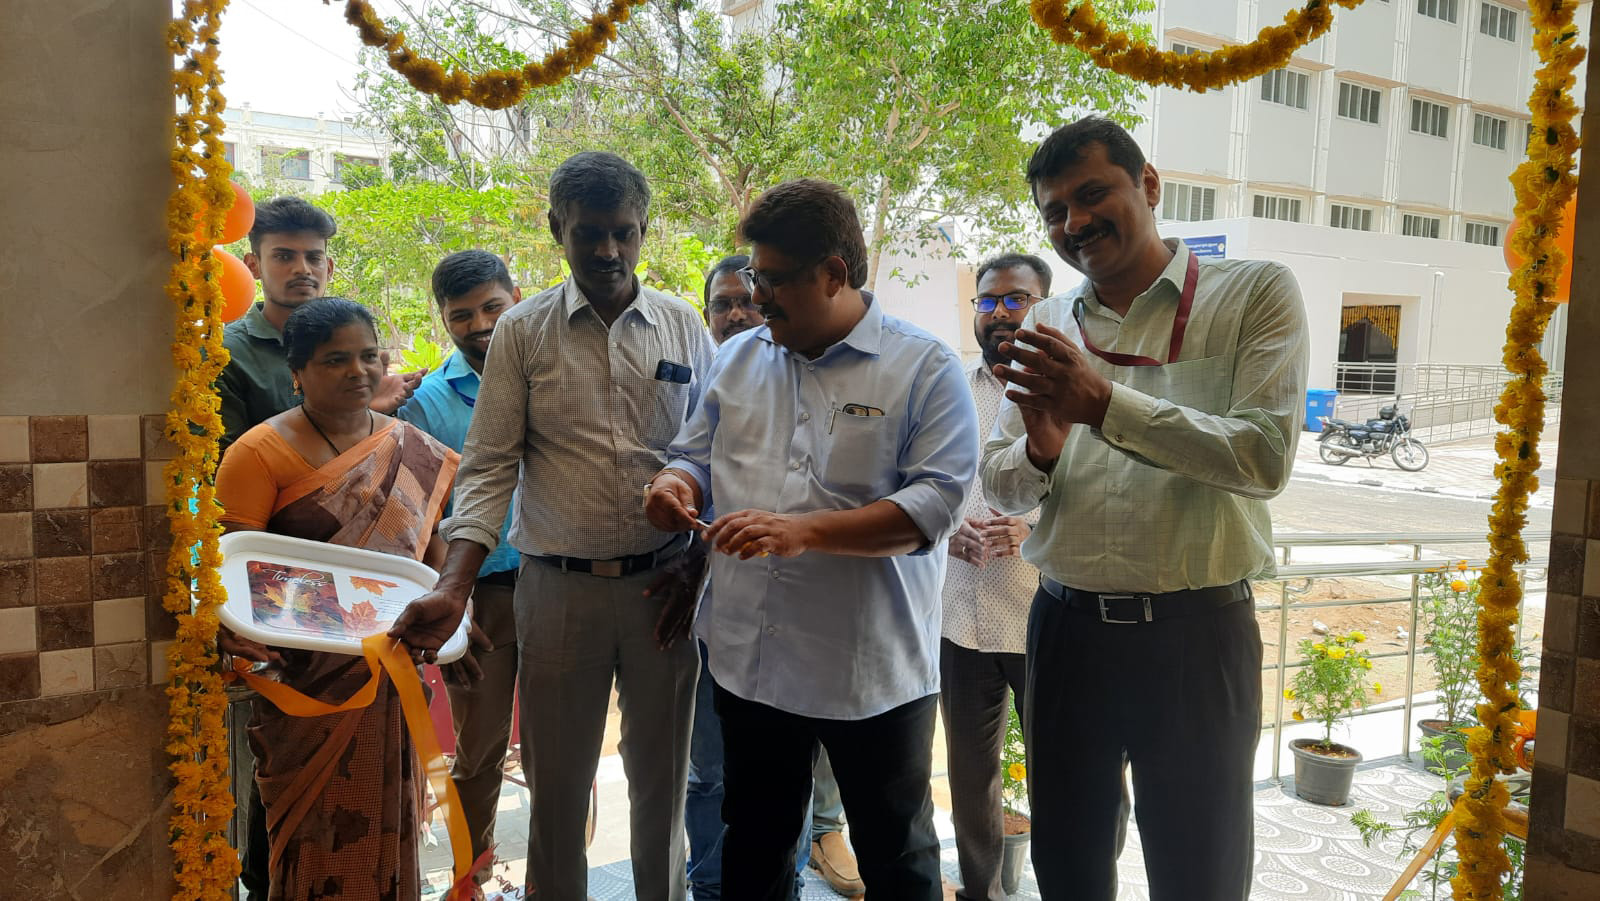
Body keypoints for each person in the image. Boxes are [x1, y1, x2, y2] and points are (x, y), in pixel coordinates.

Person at [980, 116, 1309, 900]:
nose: (1074, 223)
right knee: (1068, 863)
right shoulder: (1049, 321)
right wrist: (1042, 450)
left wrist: (1104, 404)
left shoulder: (1254, 294)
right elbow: (1000, 482)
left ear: (1150, 186)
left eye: (1092, 195)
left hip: (1198, 637)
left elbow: (1263, 458)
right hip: (1065, 631)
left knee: (1200, 869)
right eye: (1054, 211)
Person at [389, 151, 714, 901]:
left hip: (664, 589)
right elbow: (490, 464)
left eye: (624, 233)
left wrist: (698, 565)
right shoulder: (523, 332)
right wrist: (455, 584)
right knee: (558, 785)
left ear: (644, 230)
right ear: (556, 230)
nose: (607, 250)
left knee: (661, 781)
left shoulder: (682, 324)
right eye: (589, 233)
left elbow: (710, 452)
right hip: (557, 592)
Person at [643, 178, 978, 901]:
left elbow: (934, 501)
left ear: (834, 273)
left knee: (896, 854)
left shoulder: (923, 367)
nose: (758, 298)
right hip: (750, 661)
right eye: (755, 277)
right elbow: (693, 452)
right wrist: (677, 485)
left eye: (775, 280)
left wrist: (804, 532)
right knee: (756, 844)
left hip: (871, 670)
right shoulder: (739, 359)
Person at [215, 298, 459, 901]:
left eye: (370, 356)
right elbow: (231, 562)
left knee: (390, 814)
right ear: (296, 372)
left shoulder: (414, 448)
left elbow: (435, 546)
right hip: (304, 681)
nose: (360, 371)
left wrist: (454, 608)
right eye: (336, 360)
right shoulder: (258, 452)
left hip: (391, 672)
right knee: (313, 831)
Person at [684, 256, 813, 901]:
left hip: (808, 619)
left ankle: (785, 878)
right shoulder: (713, 378)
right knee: (710, 768)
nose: (736, 314)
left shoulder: (809, 376)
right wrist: (677, 481)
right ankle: (708, 884)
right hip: (716, 616)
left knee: (787, 777)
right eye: (722, 304)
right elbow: (689, 461)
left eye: (748, 300)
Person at [395, 249, 522, 872]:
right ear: (443, 320)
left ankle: (552, 875)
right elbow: (423, 514)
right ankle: (472, 876)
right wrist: (459, 602)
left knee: (562, 747)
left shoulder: (547, 372)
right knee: (479, 749)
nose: (479, 325)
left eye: (492, 307)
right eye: (461, 315)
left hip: (560, 584)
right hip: (480, 595)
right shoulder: (428, 403)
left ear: (516, 297)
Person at [940, 253, 1050, 901]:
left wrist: (1031, 528)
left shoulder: (1072, 389)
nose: (1000, 311)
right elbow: (927, 480)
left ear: (1046, 304)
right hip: (960, 617)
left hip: (1042, 616)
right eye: (988, 301)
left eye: (1016, 299)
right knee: (969, 777)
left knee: (1062, 775)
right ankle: (982, 891)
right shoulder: (952, 387)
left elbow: (1100, 493)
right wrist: (946, 529)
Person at [217, 195, 420, 452]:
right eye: (284, 257)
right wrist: (353, 414)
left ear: (330, 268)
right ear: (253, 265)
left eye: (314, 258)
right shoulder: (227, 354)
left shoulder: (356, 347)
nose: (302, 269)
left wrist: (368, 414)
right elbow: (226, 467)